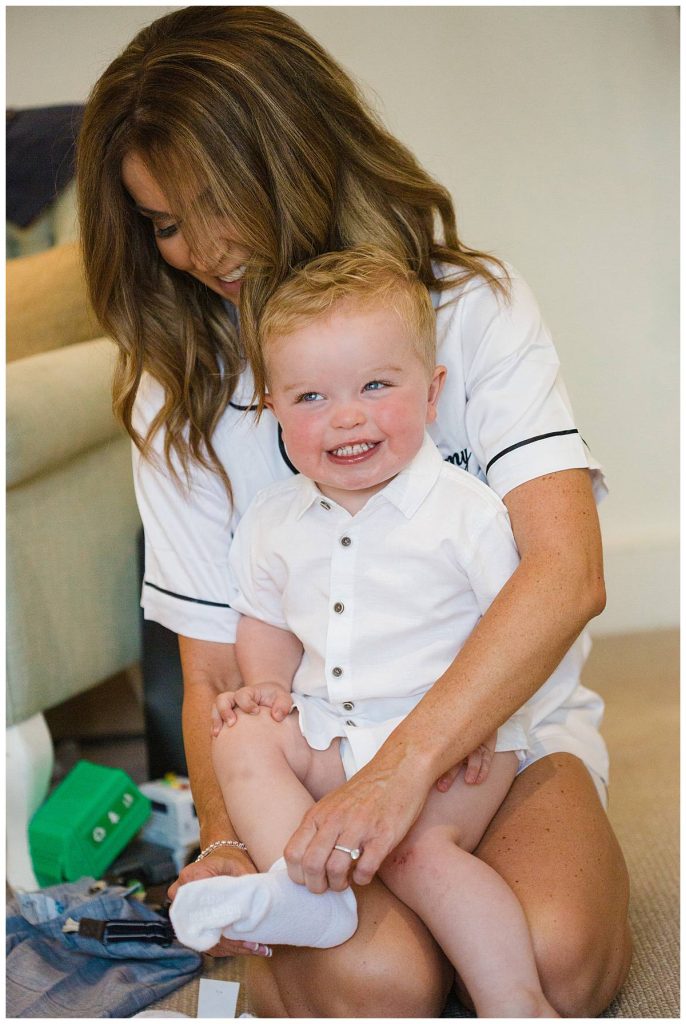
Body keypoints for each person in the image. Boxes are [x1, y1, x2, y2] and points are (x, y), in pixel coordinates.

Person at [77, 6, 631, 1016]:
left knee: (550, 959)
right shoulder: (179, 388)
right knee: (381, 984)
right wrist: (229, 840)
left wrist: (405, 770)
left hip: (488, 736)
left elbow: (564, 571)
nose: (198, 248)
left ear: (294, 153)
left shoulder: (468, 306)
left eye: (213, 201)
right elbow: (214, 668)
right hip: (317, 750)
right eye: (161, 222)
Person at [170, 247, 560, 1017]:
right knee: (241, 738)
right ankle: (300, 886)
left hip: (446, 747)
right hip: (329, 731)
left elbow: (515, 627)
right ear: (275, 410)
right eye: (311, 396)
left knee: (420, 854)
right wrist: (266, 692)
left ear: (431, 394)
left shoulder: (466, 512)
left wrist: (474, 725)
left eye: (376, 386)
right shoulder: (273, 522)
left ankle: (516, 1001)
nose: (346, 416)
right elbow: (268, 624)